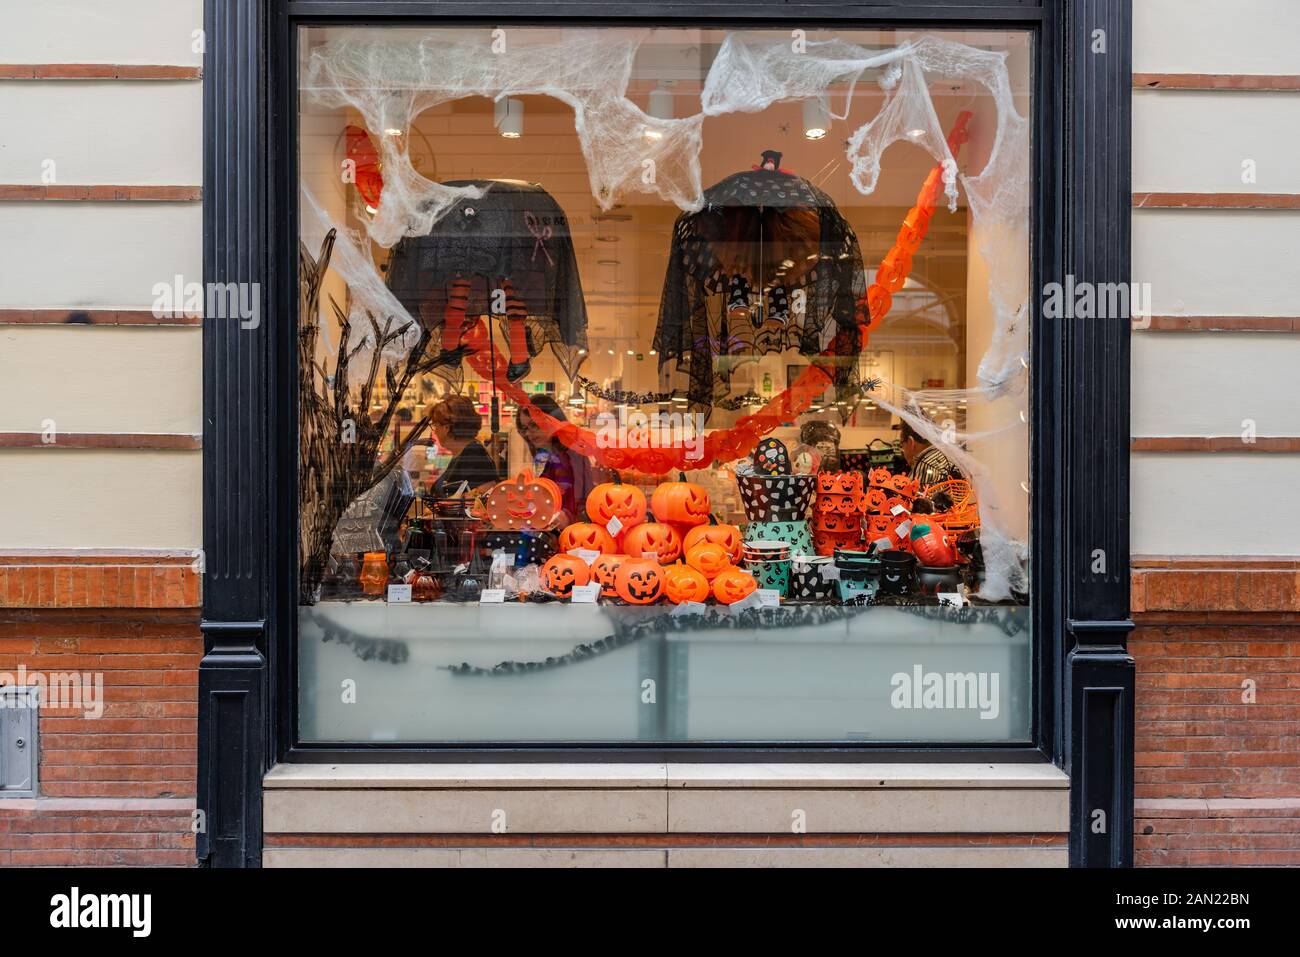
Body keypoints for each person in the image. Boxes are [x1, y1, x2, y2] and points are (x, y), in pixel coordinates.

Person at [516, 394, 609, 527]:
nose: (529, 433)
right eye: (525, 428)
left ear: (552, 420)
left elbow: (576, 503)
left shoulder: (570, 454)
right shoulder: (554, 455)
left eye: (534, 425)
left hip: (573, 534)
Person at [427, 394, 500, 498]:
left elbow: (487, 494)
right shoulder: (461, 454)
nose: (434, 430)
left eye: (435, 425)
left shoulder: (474, 454)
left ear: (446, 428)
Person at [898, 418, 962, 489]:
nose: (902, 451)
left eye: (901, 445)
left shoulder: (923, 467)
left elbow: (913, 498)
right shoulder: (945, 456)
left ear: (910, 442)